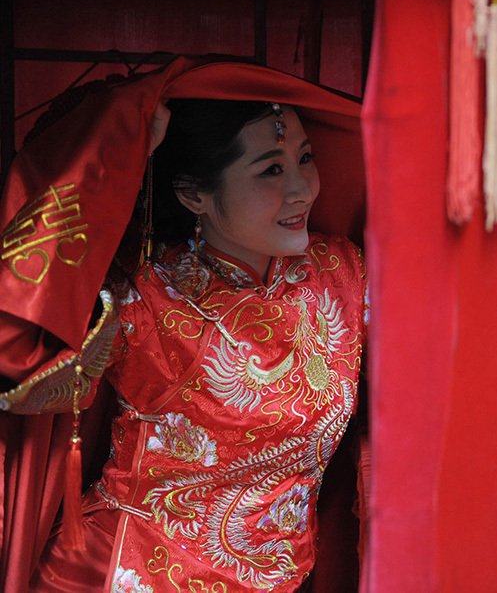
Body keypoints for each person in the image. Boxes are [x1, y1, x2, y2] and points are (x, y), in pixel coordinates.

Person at [0, 64, 366, 591]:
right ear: (193, 195)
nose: (301, 189)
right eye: (270, 170)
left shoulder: (342, 273)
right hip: (130, 575)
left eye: (304, 159)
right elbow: (17, 363)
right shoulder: (145, 297)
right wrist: (112, 159)